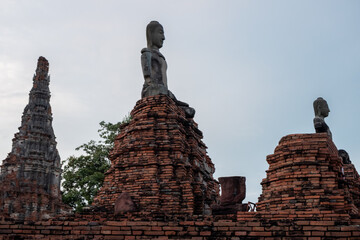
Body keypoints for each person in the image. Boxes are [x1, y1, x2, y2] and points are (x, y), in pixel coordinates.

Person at [141, 21, 195, 118]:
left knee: (190, 111)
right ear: (151, 34)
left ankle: (175, 104)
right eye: (160, 33)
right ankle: (172, 100)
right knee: (163, 91)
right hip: (151, 90)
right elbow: (148, 78)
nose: (164, 38)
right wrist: (153, 85)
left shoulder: (161, 57)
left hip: (163, 90)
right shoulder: (147, 53)